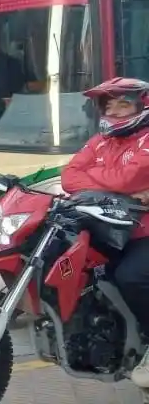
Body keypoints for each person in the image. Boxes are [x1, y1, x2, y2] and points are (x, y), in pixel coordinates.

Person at [60, 77, 149, 387]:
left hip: (142, 232)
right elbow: (69, 176)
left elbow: (127, 177)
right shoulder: (99, 141)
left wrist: (97, 181)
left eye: (122, 103)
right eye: (107, 104)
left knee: (130, 276)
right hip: (107, 226)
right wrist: (112, 185)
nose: (114, 110)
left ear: (142, 104)